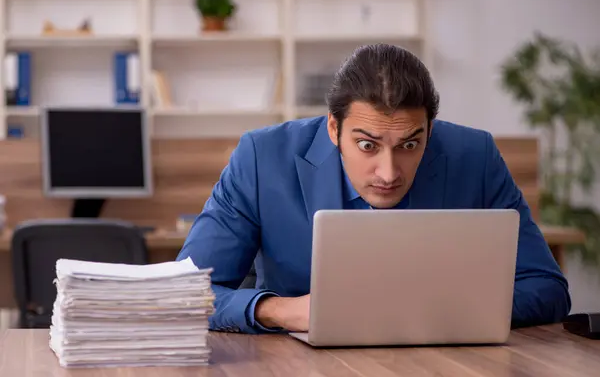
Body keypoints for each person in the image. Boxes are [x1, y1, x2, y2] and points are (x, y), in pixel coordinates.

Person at [177, 43, 571, 334]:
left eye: (409, 145)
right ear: (334, 128)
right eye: (367, 145)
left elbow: (547, 288)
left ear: (429, 130)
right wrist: (280, 311)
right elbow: (185, 294)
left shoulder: (476, 156)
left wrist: (444, 309)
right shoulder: (263, 157)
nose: (388, 172)